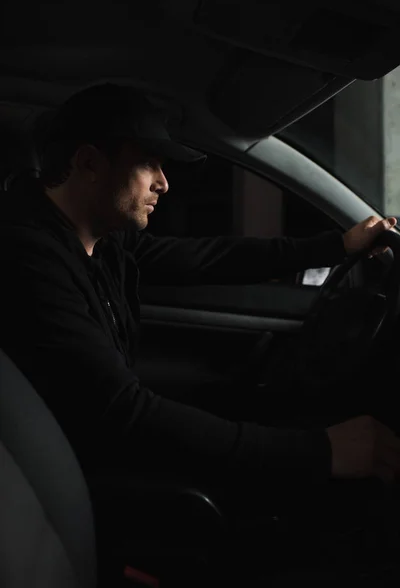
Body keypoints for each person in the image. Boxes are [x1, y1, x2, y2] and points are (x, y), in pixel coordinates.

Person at [0, 82, 399, 501]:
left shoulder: (103, 238)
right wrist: (319, 451)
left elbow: (209, 257)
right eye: (149, 163)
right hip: (70, 483)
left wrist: (337, 246)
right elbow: (118, 411)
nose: (164, 183)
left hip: (93, 453)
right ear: (89, 163)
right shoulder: (28, 258)